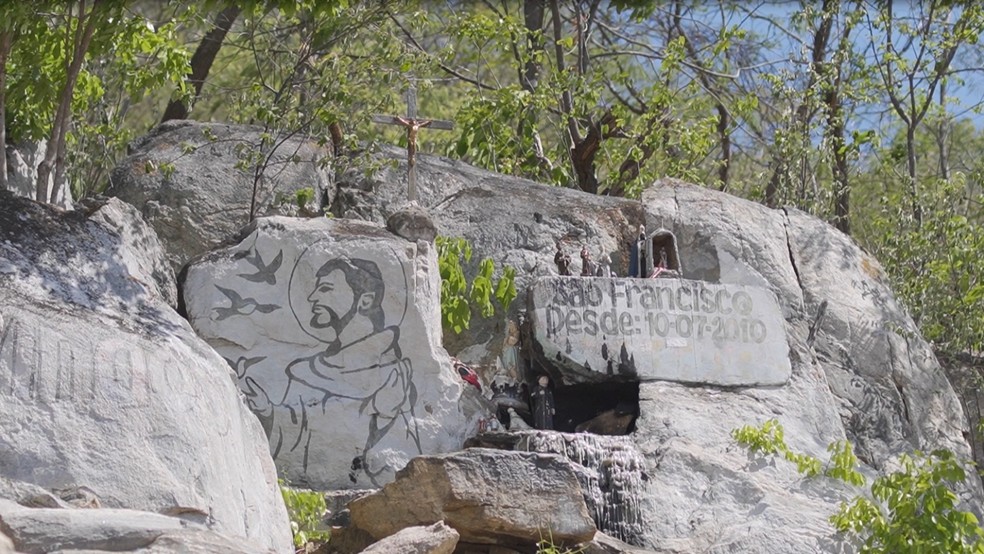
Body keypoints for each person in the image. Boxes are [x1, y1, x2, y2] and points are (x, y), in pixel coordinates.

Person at [263, 257, 420, 485]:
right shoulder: (306, 370)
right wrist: (265, 411)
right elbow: (291, 431)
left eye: (325, 289)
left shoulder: (392, 373)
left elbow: (400, 450)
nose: (312, 297)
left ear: (364, 301)